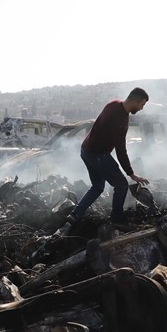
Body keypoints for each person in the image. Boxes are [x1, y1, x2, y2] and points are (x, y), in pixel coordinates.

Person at [61, 88, 150, 230]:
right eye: (142, 105)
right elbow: (121, 150)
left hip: (86, 150)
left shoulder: (114, 103)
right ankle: (116, 220)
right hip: (97, 154)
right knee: (121, 185)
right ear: (134, 101)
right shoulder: (121, 119)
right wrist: (131, 174)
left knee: (97, 187)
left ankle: (75, 215)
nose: (141, 108)